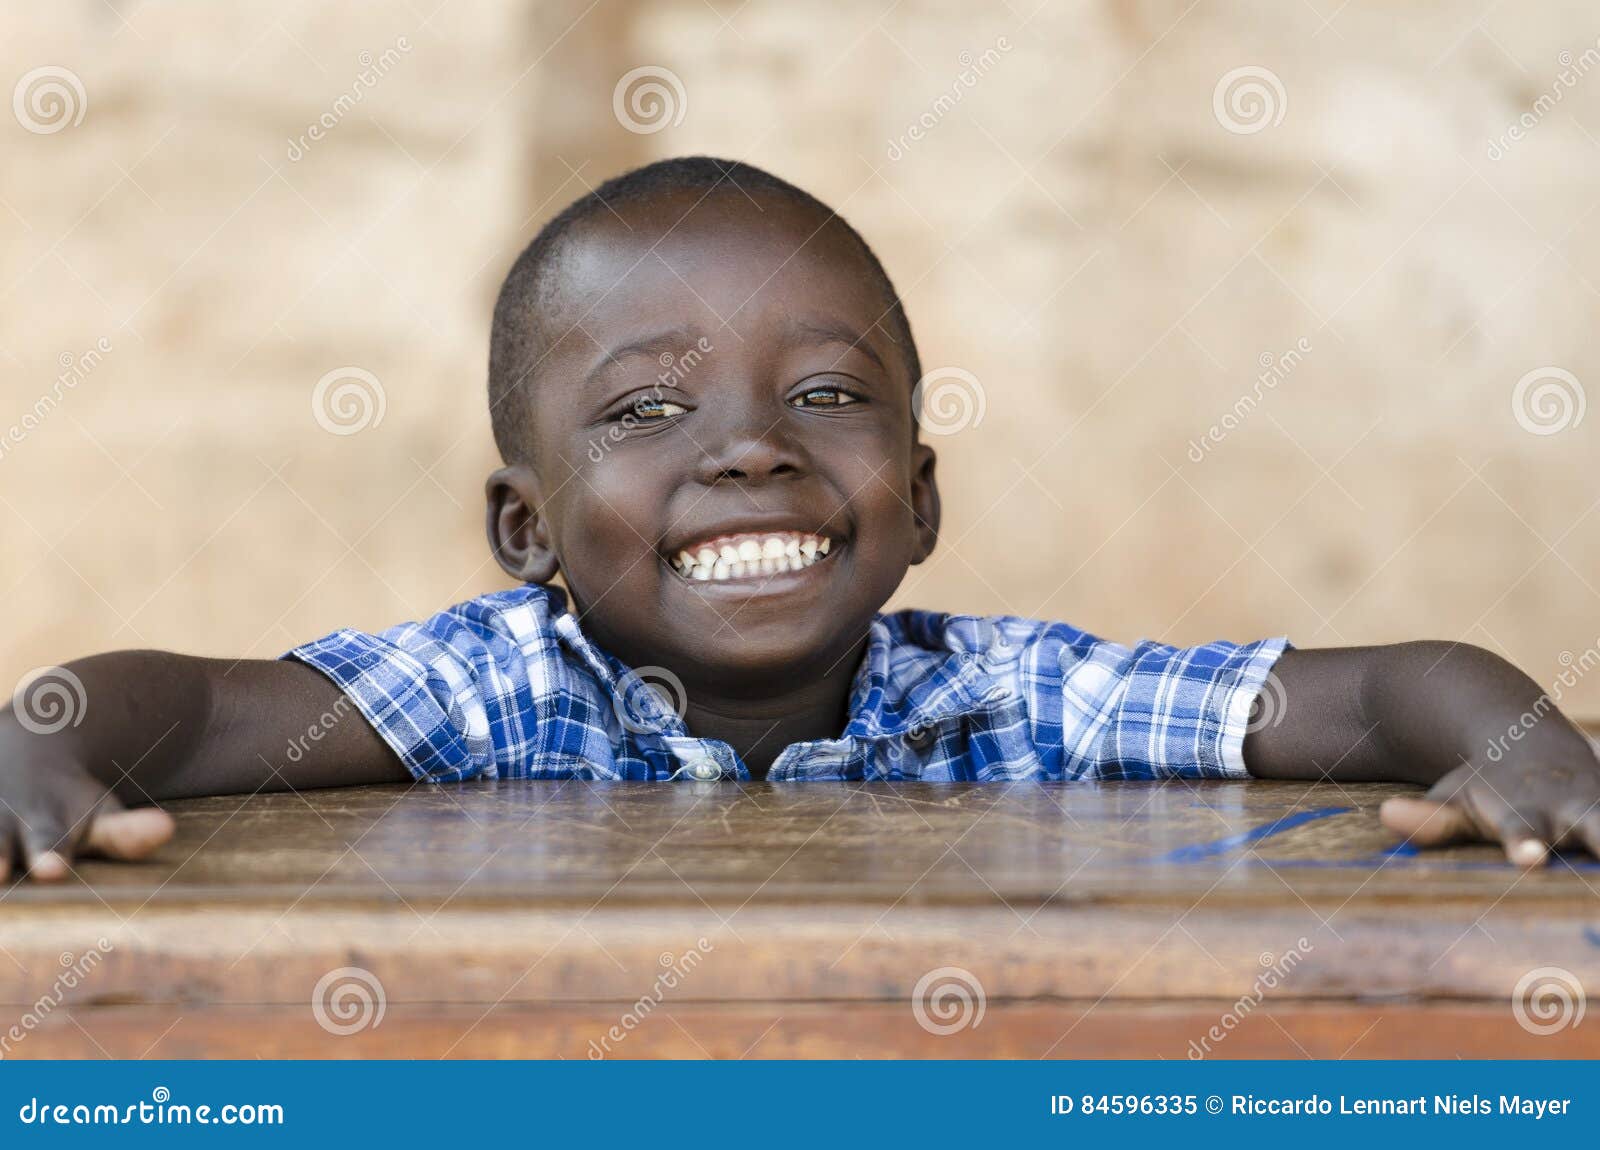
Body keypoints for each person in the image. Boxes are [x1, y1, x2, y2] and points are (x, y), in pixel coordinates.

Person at [4, 156, 1597, 882]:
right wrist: (39, 746)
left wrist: (1518, 738)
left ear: (922, 494)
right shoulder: (500, 683)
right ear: (524, 529)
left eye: (829, 397)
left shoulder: (999, 690)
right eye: (643, 412)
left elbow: (1382, 688)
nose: (752, 450)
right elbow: (199, 704)